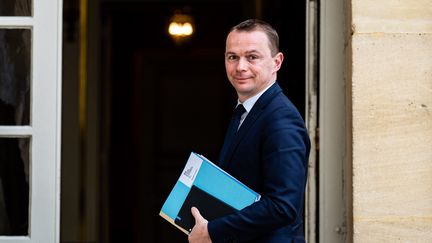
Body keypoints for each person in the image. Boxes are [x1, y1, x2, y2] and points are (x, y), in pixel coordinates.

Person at [188, 19, 310, 243]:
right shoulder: (245, 111)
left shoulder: (281, 118)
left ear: (277, 62)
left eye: (252, 57)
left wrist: (213, 232)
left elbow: (283, 206)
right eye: (232, 57)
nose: (240, 67)